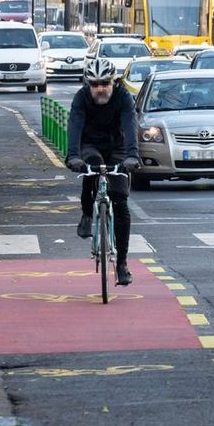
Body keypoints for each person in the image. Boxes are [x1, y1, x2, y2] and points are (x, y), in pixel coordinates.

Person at [65, 58, 140, 287]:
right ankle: (88, 214)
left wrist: (132, 155)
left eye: (105, 83)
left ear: (114, 82)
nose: (100, 89)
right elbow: (75, 125)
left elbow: (130, 123)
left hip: (117, 146)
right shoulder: (81, 98)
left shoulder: (123, 97)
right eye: (95, 84)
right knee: (91, 169)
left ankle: (122, 264)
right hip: (90, 145)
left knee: (120, 200)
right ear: (88, 84)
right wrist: (73, 155)